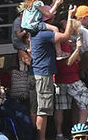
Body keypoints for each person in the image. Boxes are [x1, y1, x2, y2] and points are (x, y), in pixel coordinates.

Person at [31, 9, 78, 140]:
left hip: (38, 73)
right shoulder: (43, 34)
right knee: (43, 111)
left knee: (38, 109)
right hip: (43, 74)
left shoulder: (35, 32)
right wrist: (69, 17)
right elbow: (66, 36)